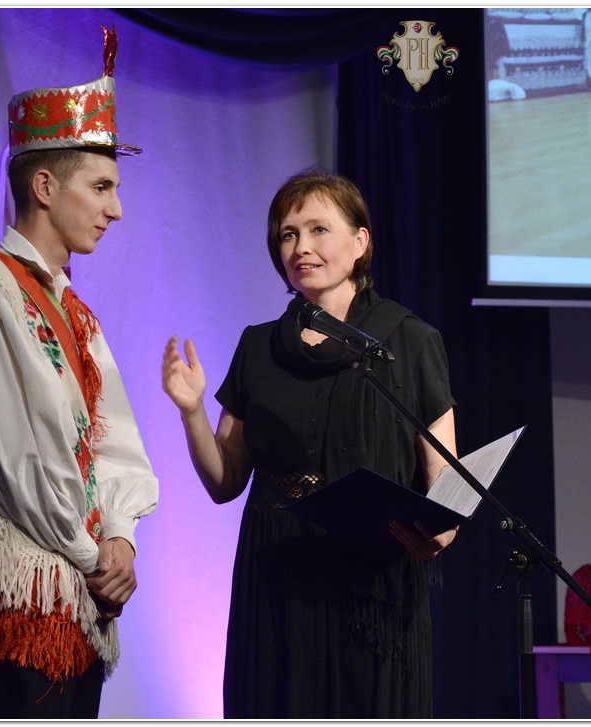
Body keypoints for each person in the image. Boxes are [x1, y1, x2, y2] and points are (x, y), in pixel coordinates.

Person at [0, 28, 158, 719]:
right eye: (101, 187)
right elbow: (11, 455)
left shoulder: (74, 311)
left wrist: (121, 537)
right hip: (23, 585)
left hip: (75, 590)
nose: (115, 209)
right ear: (44, 186)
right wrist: (92, 555)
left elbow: (114, 441)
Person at [161, 171, 458, 718]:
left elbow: (446, 476)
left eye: (319, 229)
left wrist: (444, 527)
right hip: (278, 574)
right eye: (288, 234)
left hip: (371, 579)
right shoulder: (258, 347)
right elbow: (225, 481)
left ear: (360, 242)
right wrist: (192, 411)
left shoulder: (410, 340)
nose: (301, 247)